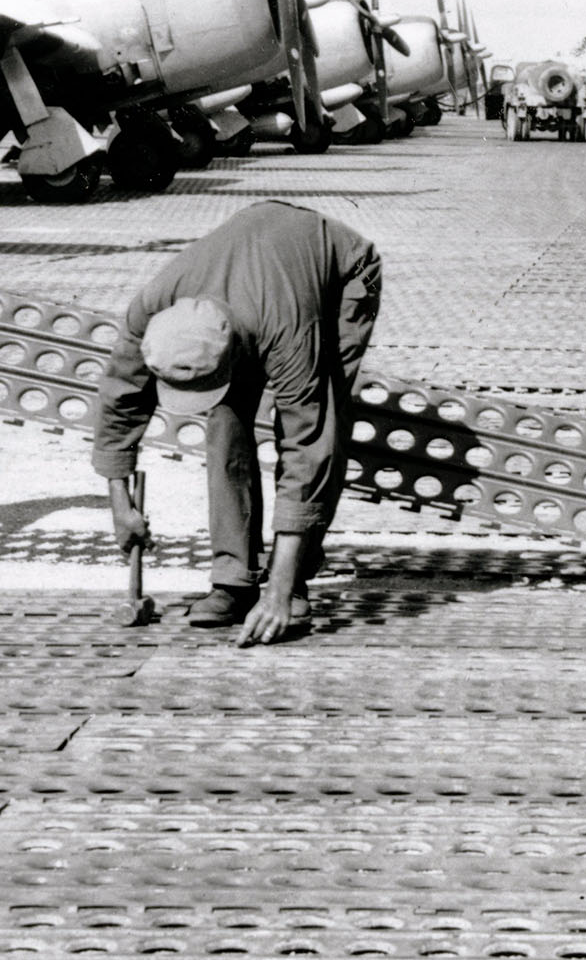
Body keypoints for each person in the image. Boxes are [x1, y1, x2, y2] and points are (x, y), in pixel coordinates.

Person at [94, 201, 383, 644]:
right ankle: (234, 578)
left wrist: (281, 593)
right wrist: (119, 500)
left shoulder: (287, 332)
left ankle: (293, 579)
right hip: (255, 277)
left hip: (341, 275)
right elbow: (120, 396)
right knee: (225, 421)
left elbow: (309, 447)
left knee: (322, 420)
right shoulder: (153, 308)